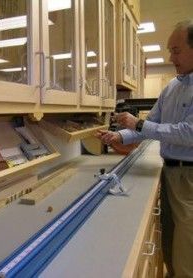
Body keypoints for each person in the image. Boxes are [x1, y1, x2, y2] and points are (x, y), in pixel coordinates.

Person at [97, 20, 193, 277]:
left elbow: (188, 133)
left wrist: (138, 124)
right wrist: (118, 135)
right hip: (170, 172)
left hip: (189, 178)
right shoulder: (172, 88)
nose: (170, 56)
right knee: (171, 243)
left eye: (176, 50)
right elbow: (150, 125)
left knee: (187, 252)